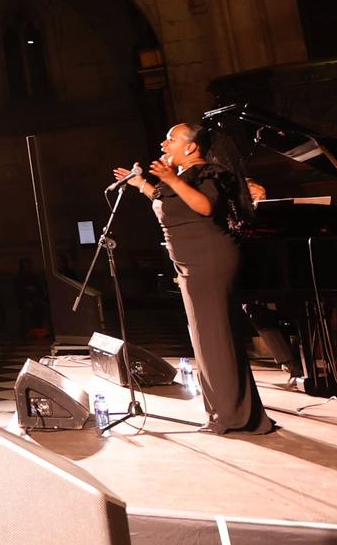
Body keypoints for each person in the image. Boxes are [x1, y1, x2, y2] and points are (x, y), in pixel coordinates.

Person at [114, 124, 275, 436]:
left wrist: (170, 178)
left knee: (214, 337)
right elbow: (169, 202)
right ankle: (230, 412)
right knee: (206, 339)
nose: (163, 142)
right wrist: (141, 185)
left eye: (171, 138)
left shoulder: (210, 173)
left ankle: (234, 417)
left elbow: (205, 206)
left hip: (210, 259)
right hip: (190, 263)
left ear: (190, 148)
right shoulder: (182, 179)